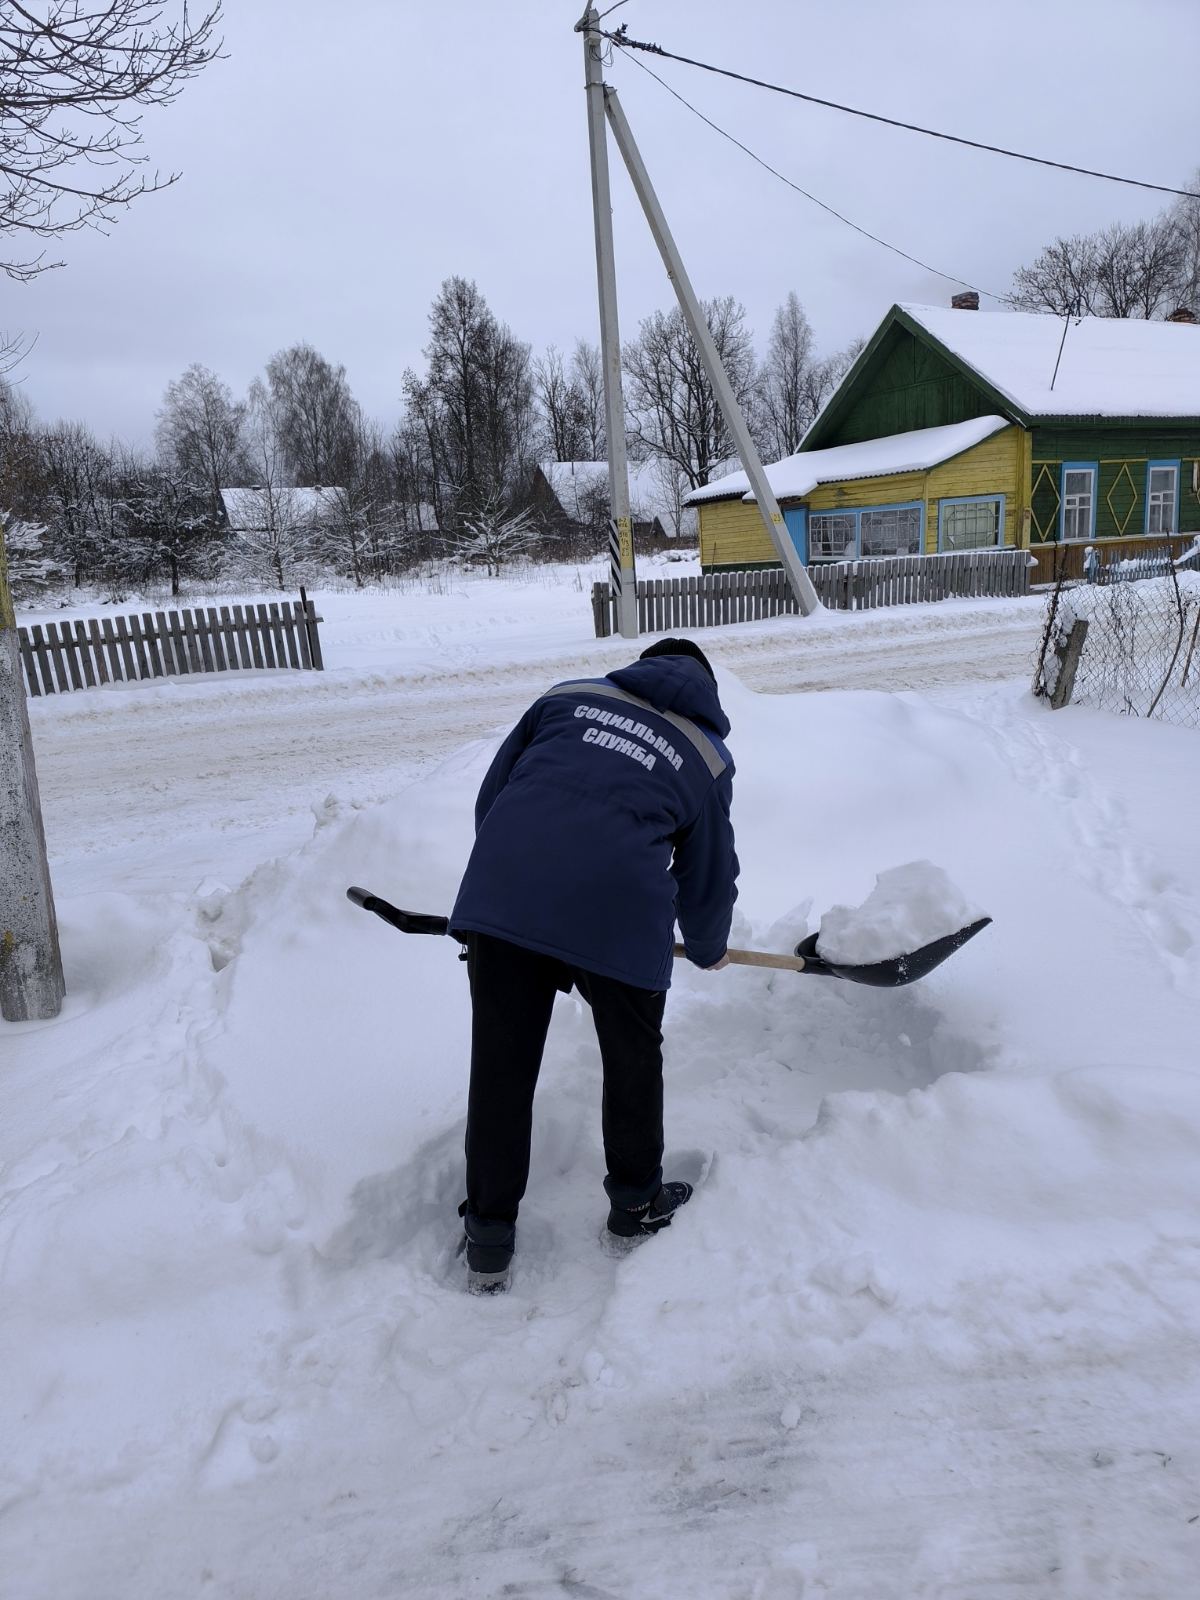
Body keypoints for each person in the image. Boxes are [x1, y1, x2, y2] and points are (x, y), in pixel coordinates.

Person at [449, 637, 739, 1293]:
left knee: (500, 1068)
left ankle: (488, 1237)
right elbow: (707, 875)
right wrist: (707, 945)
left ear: (640, 668)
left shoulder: (566, 698)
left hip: (507, 891)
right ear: (705, 691)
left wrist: (510, 893)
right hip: (619, 911)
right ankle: (634, 1206)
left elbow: (493, 798)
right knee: (632, 1059)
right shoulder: (703, 753)